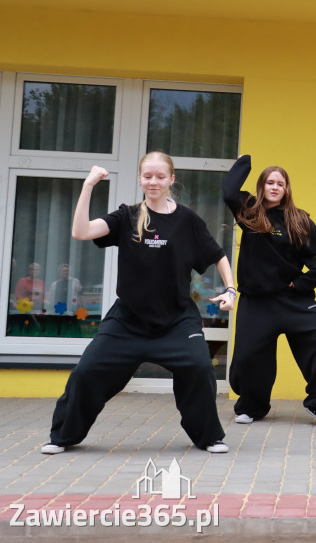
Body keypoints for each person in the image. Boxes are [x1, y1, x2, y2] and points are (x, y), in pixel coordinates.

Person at [42, 152, 234, 455]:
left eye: (160, 176)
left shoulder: (188, 221)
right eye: (148, 176)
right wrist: (89, 185)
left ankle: (209, 436)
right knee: (87, 372)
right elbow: (81, 231)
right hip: (127, 321)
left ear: (172, 179)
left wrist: (231, 289)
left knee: (199, 368)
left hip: (176, 320)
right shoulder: (127, 216)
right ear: (140, 179)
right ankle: (63, 436)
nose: (153, 181)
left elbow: (217, 255)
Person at [223, 155, 316, 430]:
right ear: (262, 186)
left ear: (287, 189)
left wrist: (303, 283)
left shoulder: (298, 219)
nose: (275, 187)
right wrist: (244, 162)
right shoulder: (250, 212)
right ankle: (252, 406)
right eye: (270, 182)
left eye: (281, 183)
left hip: (294, 300)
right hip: (257, 302)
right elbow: (229, 191)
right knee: (249, 357)